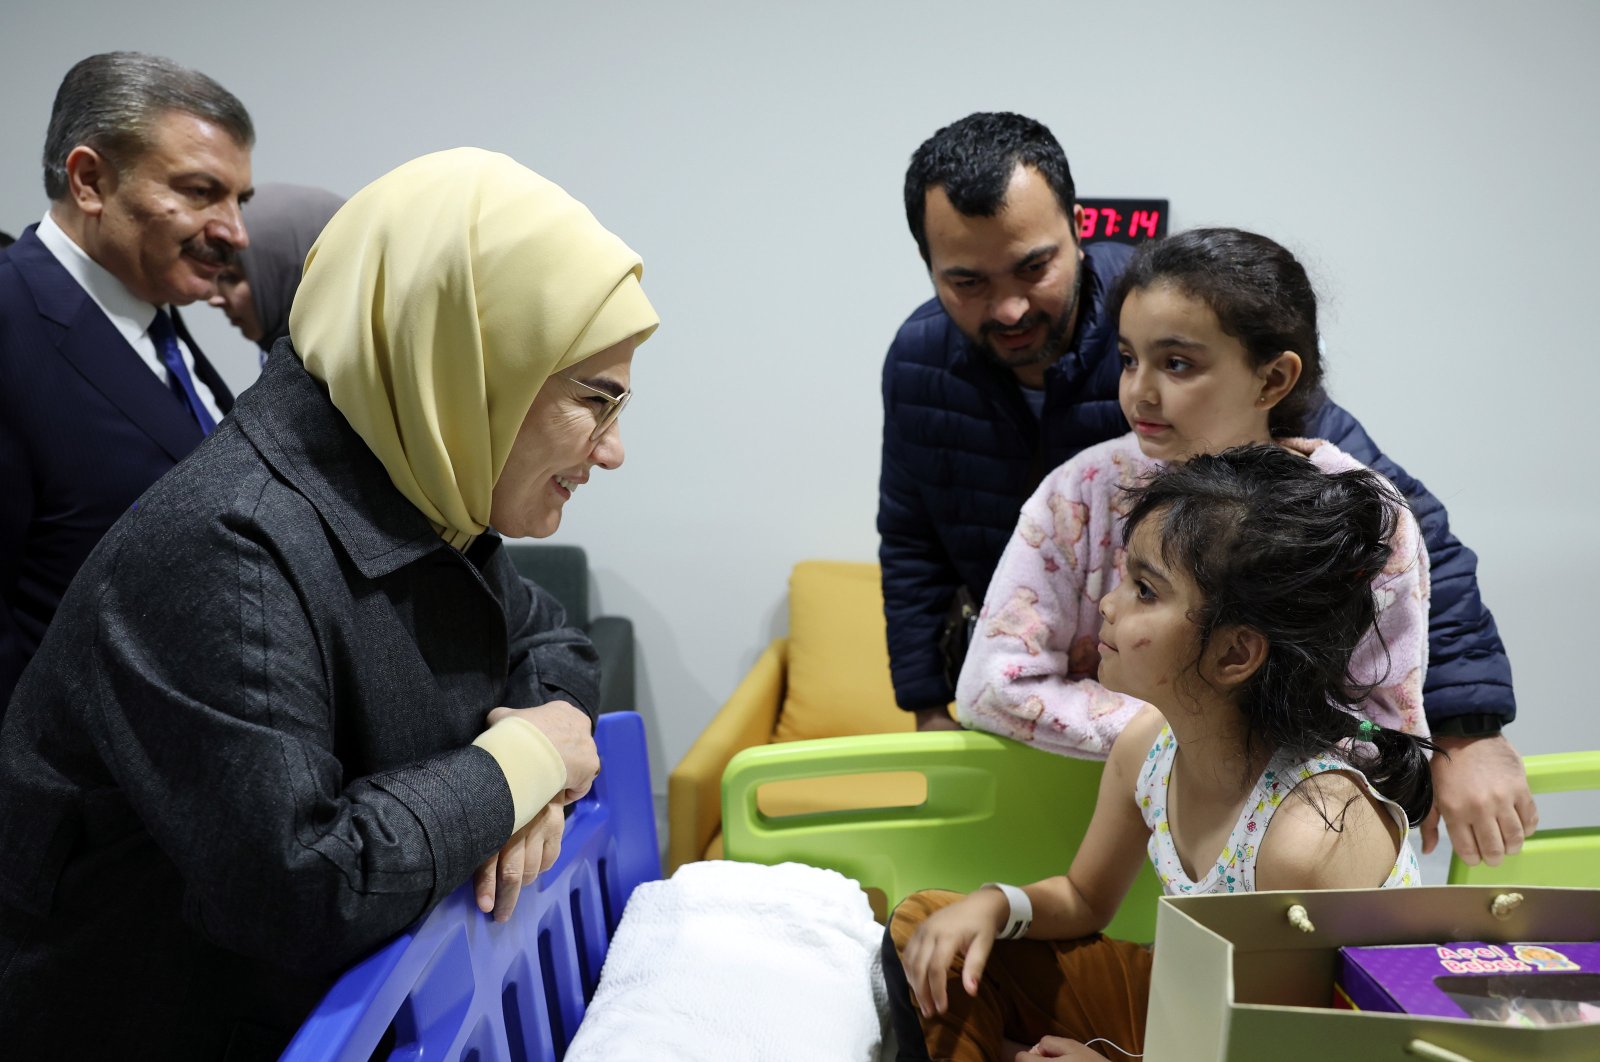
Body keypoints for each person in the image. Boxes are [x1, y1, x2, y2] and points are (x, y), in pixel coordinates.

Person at [0, 147, 657, 1059]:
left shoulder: (416, 489)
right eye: (597, 400)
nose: (613, 449)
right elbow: (299, 885)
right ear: (465, 364)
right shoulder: (229, 544)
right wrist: (511, 771)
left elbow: (550, 642)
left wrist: (540, 757)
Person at [877, 110, 1532, 865]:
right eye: (966, 280)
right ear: (930, 266)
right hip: (1077, 766)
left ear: (1076, 230)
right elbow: (913, 541)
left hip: (1291, 826)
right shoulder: (964, 397)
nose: (1010, 307)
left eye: (1033, 268)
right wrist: (929, 710)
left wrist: (1469, 728)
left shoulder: (1189, 324)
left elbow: (1395, 540)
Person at [890, 447, 1434, 1062]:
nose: (1108, 604)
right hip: (1194, 1013)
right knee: (932, 930)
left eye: (1145, 590)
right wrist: (995, 903)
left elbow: (1303, 1046)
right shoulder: (1148, 744)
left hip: (1281, 1044)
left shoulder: (1308, 839)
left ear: (1235, 654)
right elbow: (1083, 898)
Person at [957, 229, 1429, 756]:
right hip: (1084, 812)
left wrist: (1209, 741)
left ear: (1272, 379)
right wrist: (1181, 738)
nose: (1139, 392)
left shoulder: (1360, 523)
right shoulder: (1082, 492)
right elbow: (992, 687)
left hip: (1295, 828)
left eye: (1177, 363)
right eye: (1130, 359)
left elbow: (1384, 732)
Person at [0, 52, 252, 713]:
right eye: (201, 192)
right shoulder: (10, 318)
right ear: (89, 181)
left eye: (238, 200)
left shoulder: (162, 329)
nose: (235, 232)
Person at [208, 182, 344, 359]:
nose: (213, 299)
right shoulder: (291, 365)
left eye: (231, 277)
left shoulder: (347, 376)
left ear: (290, 271)